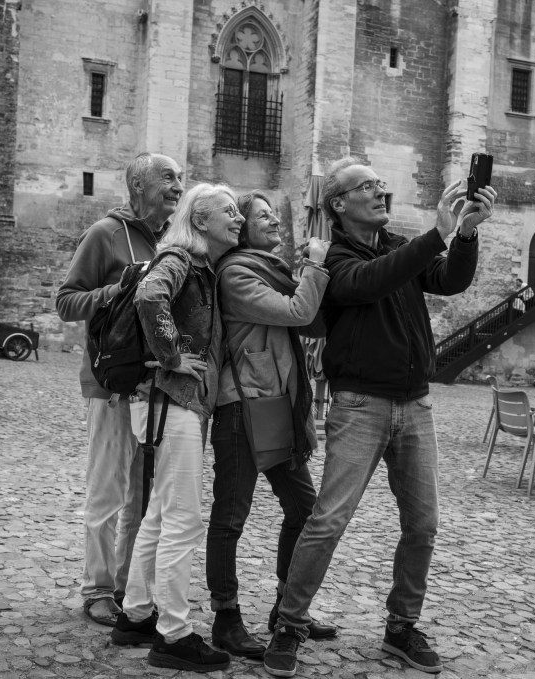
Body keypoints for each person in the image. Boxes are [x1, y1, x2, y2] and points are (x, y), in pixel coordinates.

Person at [263, 158, 495, 677]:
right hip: (360, 406)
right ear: (339, 203)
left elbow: (450, 280)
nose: (380, 190)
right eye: (367, 185)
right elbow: (369, 283)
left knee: (423, 524)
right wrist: (436, 234)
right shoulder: (332, 258)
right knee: (328, 521)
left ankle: (401, 626)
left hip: (416, 405)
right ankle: (290, 623)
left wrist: (464, 235)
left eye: (381, 183)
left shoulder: (396, 245)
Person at [112, 183, 241, 673]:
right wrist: (170, 357)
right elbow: (150, 295)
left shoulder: (200, 266)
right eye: (228, 211)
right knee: (183, 519)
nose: (237, 217)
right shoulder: (181, 257)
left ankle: (136, 615)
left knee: (161, 513)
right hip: (173, 401)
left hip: (168, 404)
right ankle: (174, 634)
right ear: (201, 220)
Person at [56, 152, 184, 626]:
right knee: (108, 491)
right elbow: (66, 301)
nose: (178, 186)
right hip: (110, 385)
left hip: (155, 388)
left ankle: (131, 586)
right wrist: (120, 290)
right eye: (167, 178)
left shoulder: (173, 240)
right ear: (137, 186)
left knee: (143, 497)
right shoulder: (105, 234)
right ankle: (97, 588)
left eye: (180, 178)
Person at [205, 191, 335, 660]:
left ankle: (286, 607)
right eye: (263, 216)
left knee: (304, 509)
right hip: (240, 407)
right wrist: (315, 265)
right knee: (230, 518)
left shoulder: (274, 271)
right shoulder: (237, 273)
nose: (275, 221)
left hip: (276, 406)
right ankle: (226, 618)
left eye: (275, 214)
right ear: (243, 228)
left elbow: (314, 324)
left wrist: (309, 275)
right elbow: (299, 312)